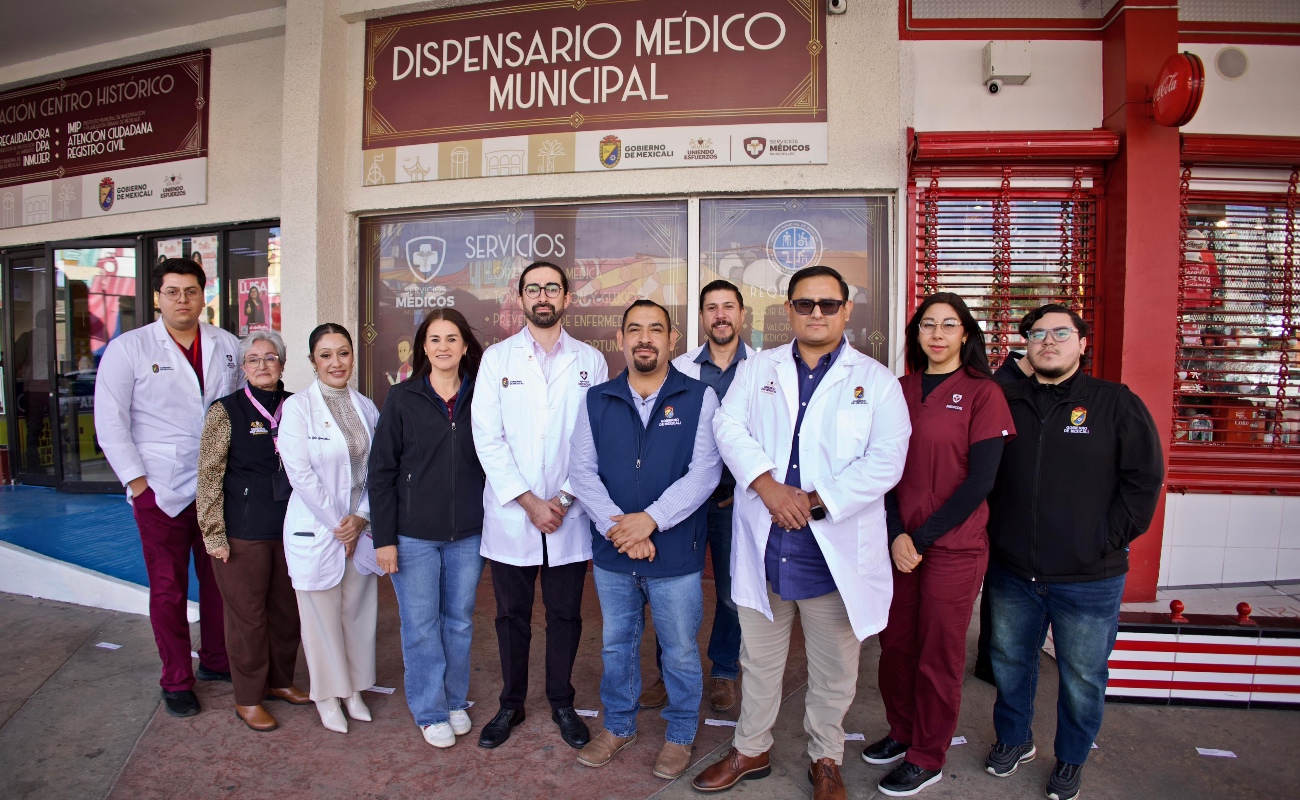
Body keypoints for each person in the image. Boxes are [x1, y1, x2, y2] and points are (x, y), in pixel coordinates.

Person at [694, 265, 911, 800]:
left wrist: (815, 501)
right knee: (758, 663)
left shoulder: (876, 380)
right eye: (806, 304)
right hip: (768, 547)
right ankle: (752, 749)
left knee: (835, 671)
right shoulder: (758, 368)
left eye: (828, 304)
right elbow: (728, 425)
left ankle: (826, 759)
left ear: (846, 311)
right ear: (788, 309)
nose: (817, 313)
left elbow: (887, 460)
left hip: (831, 554)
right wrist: (768, 487)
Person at [983, 304, 1163, 800]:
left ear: (1083, 343)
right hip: (1014, 570)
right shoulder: (1006, 399)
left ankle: (1071, 759)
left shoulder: (1114, 403)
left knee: (1083, 676)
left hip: (1089, 577)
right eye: (1037, 334)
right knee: (1010, 662)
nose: (1049, 341)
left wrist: (1104, 541)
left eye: (1062, 332)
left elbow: (1143, 480)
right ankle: (1015, 740)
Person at [865, 293, 1015, 796]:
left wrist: (919, 537)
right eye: (928, 324)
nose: (937, 334)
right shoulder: (896, 388)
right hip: (899, 544)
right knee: (897, 647)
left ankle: (928, 755)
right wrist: (894, 535)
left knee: (938, 654)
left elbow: (980, 482)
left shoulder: (982, 393)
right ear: (916, 334)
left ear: (965, 335)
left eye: (949, 325)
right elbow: (878, 471)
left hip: (953, 547)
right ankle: (903, 732)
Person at [567, 299, 722, 780]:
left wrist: (650, 521)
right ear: (620, 340)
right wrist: (623, 529)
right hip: (615, 552)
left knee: (677, 648)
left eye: (656, 329)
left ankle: (679, 735)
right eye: (634, 329)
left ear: (672, 340)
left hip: (674, 550)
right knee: (616, 645)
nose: (645, 338)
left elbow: (705, 473)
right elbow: (582, 473)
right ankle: (618, 725)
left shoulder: (699, 397)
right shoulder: (597, 399)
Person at [95, 257, 243, 717]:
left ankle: (217, 661)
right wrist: (139, 485)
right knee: (168, 588)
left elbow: (238, 408)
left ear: (204, 295)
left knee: (220, 582)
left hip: (216, 487)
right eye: (173, 291)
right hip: (160, 490)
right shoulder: (129, 348)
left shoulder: (228, 345)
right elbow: (110, 423)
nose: (183, 299)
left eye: (192, 291)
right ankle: (176, 679)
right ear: (157, 297)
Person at [471, 261, 608, 750]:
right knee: (510, 615)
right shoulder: (497, 360)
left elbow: (596, 441)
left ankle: (561, 702)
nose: (543, 296)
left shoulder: (592, 361)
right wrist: (529, 501)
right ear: (522, 298)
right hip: (514, 513)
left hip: (569, 511)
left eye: (552, 288)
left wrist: (565, 496)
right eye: (534, 289)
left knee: (566, 614)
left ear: (567, 298)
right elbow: (486, 439)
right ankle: (510, 704)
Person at [369, 309, 487, 749]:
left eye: (451, 338)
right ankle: (430, 709)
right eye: (434, 339)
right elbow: (380, 472)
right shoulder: (402, 397)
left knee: (458, 622)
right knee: (420, 624)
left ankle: (455, 701)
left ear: (463, 346)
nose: (443, 347)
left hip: (468, 534)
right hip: (413, 535)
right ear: (423, 346)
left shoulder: (482, 395)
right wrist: (384, 539)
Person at [638, 279, 755, 714]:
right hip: (681, 499)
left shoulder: (763, 369)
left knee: (729, 592)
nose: (720, 315)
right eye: (711, 308)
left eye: (728, 307)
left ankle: (724, 672)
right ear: (701, 318)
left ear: (743, 315)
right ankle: (670, 673)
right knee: (669, 589)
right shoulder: (679, 367)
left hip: (734, 500)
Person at [196, 330, 309, 732]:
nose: (263, 365)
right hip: (243, 532)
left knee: (286, 613)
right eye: (254, 359)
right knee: (248, 618)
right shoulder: (225, 411)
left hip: (293, 528)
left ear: (282, 362)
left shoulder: (298, 405)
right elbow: (208, 475)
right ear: (243, 368)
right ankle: (247, 698)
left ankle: (280, 682)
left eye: (271, 357)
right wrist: (213, 533)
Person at [277, 323, 382, 734]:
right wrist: (339, 524)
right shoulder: (299, 408)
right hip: (319, 528)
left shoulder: (366, 406)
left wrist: (362, 517)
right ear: (312, 362)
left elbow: (379, 469)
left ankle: (354, 689)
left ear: (353, 356)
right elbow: (299, 473)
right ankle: (326, 695)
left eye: (343, 352)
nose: (336, 362)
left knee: (356, 612)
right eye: (326, 354)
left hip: (360, 525)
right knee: (320, 619)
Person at [974, 314, 1035, 685]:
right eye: (1039, 334)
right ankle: (991, 661)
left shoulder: (1035, 384)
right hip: (998, 501)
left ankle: (998, 659)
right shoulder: (1002, 387)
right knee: (1001, 589)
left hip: (1024, 504)